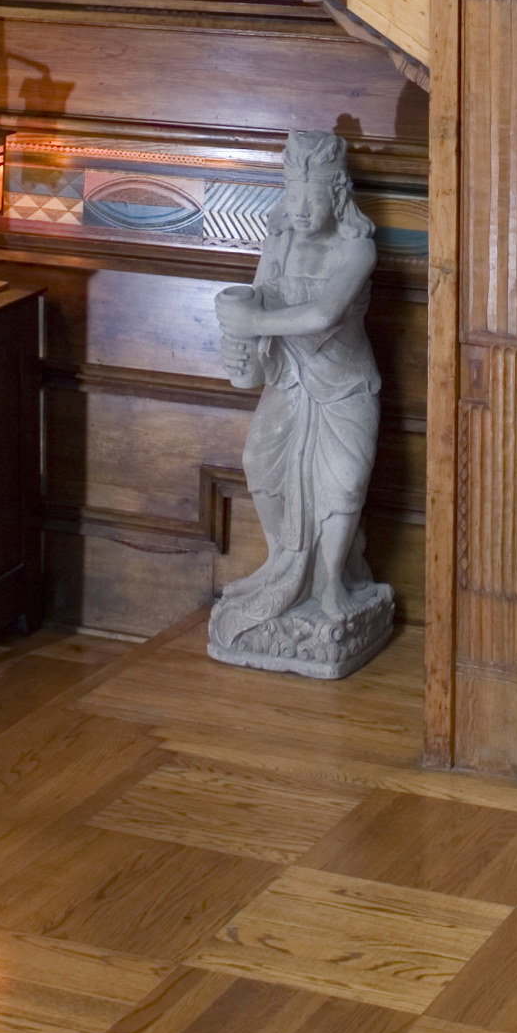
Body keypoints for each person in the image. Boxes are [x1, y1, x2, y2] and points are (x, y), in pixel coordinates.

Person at [210, 128, 395, 673]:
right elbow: (257, 297)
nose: (301, 208)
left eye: (313, 198)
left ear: (338, 195)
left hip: (345, 387)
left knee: (343, 480)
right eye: (293, 195)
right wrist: (241, 348)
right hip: (289, 379)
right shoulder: (281, 240)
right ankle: (283, 566)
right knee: (257, 462)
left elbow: (323, 316)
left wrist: (255, 321)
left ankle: (332, 584)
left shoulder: (356, 248)